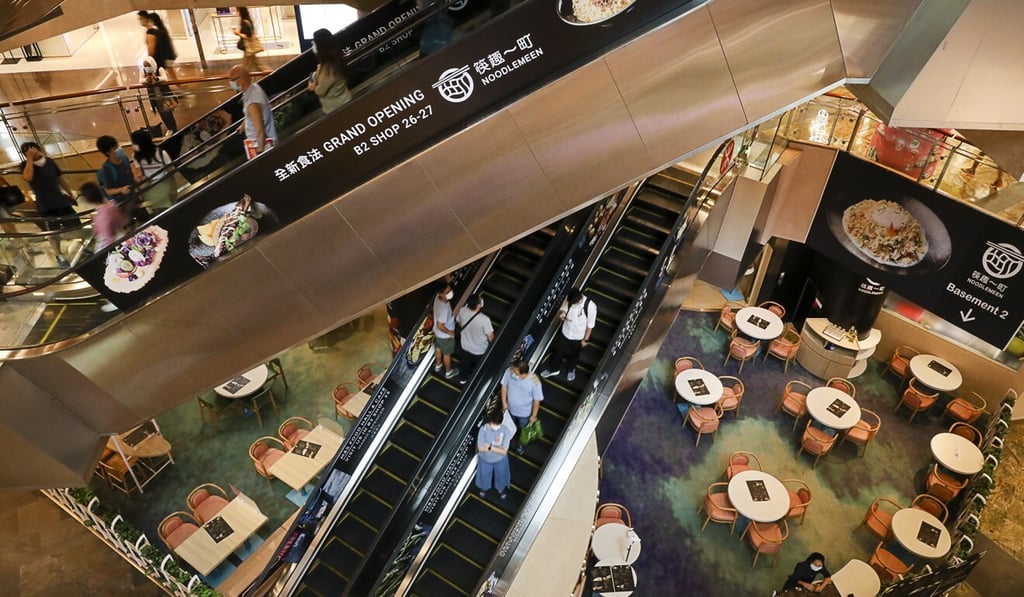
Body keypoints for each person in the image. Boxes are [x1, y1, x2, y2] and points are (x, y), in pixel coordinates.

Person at [20, 142, 79, 267]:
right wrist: (30, 159)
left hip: (60, 201)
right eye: (27, 152)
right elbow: (27, 177)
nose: (31, 153)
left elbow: (60, 179)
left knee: (75, 224)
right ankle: (59, 254)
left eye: (33, 150)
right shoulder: (25, 165)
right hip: (45, 205)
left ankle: (80, 245)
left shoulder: (50, 162)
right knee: (52, 232)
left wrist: (69, 191)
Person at [540, 288, 597, 382]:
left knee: (575, 354)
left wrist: (585, 340)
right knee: (559, 351)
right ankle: (554, 369)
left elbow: (590, 325)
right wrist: (563, 313)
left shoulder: (590, 306)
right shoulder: (570, 298)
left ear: (579, 300)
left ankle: (571, 369)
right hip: (565, 331)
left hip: (578, 336)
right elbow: (564, 308)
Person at [95, 135, 149, 223]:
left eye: (117, 146)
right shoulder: (106, 169)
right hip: (122, 204)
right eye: (115, 148)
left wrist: (137, 180)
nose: (119, 149)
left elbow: (130, 175)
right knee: (129, 225)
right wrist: (121, 190)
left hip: (134, 197)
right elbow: (108, 190)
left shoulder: (124, 158)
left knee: (145, 219)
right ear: (108, 152)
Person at [230, 64, 277, 156]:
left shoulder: (252, 102)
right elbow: (253, 115)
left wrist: (260, 152)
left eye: (233, 80)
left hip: (260, 145)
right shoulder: (253, 88)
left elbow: (259, 130)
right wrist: (244, 124)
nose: (231, 83)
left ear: (242, 79)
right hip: (261, 141)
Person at [500, 359, 543, 455]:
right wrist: (504, 403)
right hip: (509, 410)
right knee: (507, 427)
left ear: (523, 374)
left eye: (515, 372)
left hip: (524, 413)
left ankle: (521, 446)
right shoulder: (509, 372)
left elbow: (536, 401)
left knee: (525, 431)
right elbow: (504, 386)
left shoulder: (534, 382)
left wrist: (533, 416)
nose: (512, 372)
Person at [130, 129, 176, 211]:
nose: (132, 145)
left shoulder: (161, 153)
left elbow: (171, 170)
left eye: (134, 143)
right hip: (150, 186)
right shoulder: (136, 156)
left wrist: (173, 188)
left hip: (163, 184)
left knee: (163, 208)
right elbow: (140, 172)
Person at [308, 28, 351, 115]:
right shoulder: (336, 58)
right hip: (343, 101)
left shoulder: (328, 69)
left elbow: (321, 91)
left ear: (321, 46)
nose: (313, 44)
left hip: (335, 108)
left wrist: (313, 87)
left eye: (314, 42)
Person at [456, 294, 494, 385]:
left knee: (465, 363)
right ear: (478, 305)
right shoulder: (484, 319)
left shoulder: (462, 310)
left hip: (464, 345)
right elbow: (490, 336)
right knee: (479, 366)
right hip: (479, 350)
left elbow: (459, 322)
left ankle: (463, 379)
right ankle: (478, 381)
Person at [78, 182, 129, 249]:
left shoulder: (101, 216)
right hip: (122, 235)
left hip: (112, 245)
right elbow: (123, 221)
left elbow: (108, 239)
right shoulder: (112, 204)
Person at [476, 409, 510, 500]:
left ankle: (501, 488)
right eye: (494, 424)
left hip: (500, 459)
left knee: (501, 475)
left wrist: (490, 447)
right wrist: (498, 449)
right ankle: (484, 488)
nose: (496, 427)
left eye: (498, 424)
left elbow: (504, 451)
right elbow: (480, 448)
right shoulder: (483, 429)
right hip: (485, 459)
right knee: (484, 474)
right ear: (490, 421)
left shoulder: (505, 431)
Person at [139, 56, 177, 134]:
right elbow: (140, 80)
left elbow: (165, 78)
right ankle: (170, 128)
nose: (147, 67)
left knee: (168, 113)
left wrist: (156, 78)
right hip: (155, 97)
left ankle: (174, 129)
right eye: (145, 66)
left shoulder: (159, 69)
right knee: (163, 114)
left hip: (164, 96)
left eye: (148, 65)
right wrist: (147, 79)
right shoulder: (143, 71)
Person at [432, 280, 459, 380]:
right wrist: (450, 333)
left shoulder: (437, 299)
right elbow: (440, 325)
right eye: (446, 292)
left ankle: (438, 365)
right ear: (441, 294)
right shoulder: (443, 308)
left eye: (449, 290)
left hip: (437, 334)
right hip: (445, 336)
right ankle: (448, 372)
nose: (450, 293)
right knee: (447, 354)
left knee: (438, 348)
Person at [138, 11, 177, 80]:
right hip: (160, 59)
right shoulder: (158, 31)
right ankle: (179, 86)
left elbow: (151, 51)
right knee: (166, 76)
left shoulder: (151, 33)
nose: (140, 21)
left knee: (158, 80)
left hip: (156, 61)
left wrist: (148, 64)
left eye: (141, 18)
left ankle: (178, 86)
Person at [233, 7, 263, 73]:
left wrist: (237, 33)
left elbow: (247, 36)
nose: (237, 13)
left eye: (238, 11)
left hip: (248, 46)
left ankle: (243, 78)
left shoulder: (244, 22)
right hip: (250, 46)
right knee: (256, 63)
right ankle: (268, 72)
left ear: (241, 12)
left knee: (246, 66)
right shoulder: (248, 20)